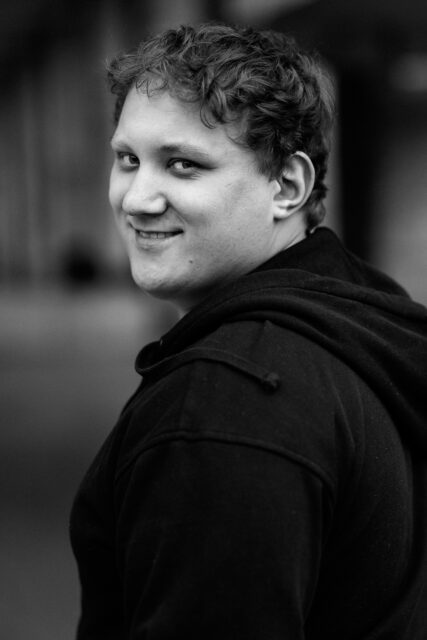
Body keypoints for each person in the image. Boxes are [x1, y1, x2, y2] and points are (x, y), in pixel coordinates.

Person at [70, 23, 427, 639]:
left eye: (183, 165)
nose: (135, 199)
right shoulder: (361, 316)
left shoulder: (224, 408)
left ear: (287, 186)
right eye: (128, 159)